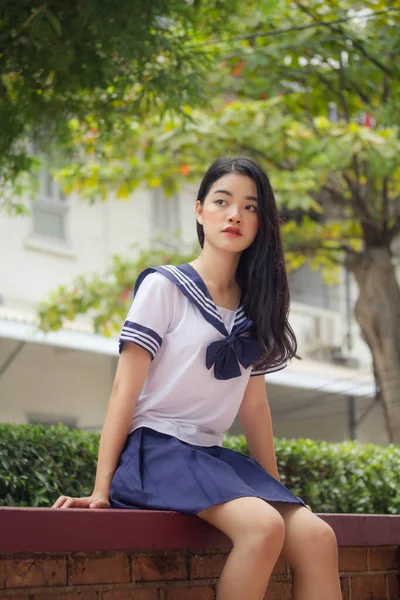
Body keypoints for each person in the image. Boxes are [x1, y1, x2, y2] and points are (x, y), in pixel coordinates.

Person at [53, 157, 342, 600]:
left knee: (318, 538)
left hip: (210, 457)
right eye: (223, 202)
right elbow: (122, 389)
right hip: (157, 451)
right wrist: (100, 489)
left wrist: (273, 488)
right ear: (199, 210)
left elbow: (255, 407)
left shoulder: (257, 304)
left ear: (262, 222)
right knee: (262, 528)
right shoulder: (164, 286)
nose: (235, 216)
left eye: (250, 207)